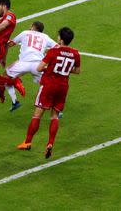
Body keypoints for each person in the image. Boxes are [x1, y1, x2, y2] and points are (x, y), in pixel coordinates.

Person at [17, 27, 80, 159]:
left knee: (37, 115)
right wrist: (64, 69)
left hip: (49, 85)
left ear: (61, 39)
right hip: (63, 87)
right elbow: (77, 70)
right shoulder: (75, 53)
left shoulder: (53, 52)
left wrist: (50, 68)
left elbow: (39, 68)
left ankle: (27, 142)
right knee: (55, 116)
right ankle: (50, 143)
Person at [3, 21, 57, 111]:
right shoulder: (45, 37)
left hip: (23, 63)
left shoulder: (25, 33)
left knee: (5, 77)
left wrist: (3, 59)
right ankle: (56, 108)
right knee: (47, 85)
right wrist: (47, 54)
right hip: (38, 65)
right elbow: (57, 47)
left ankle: (15, 102)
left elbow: (9, 44)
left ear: (32, 26)